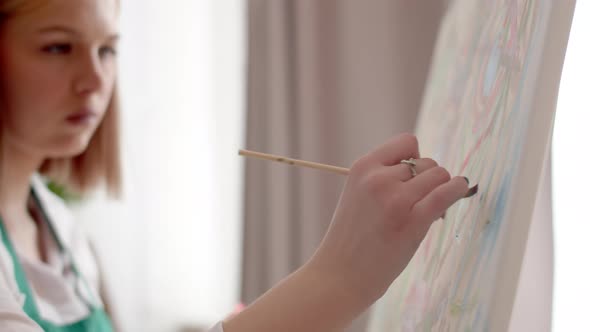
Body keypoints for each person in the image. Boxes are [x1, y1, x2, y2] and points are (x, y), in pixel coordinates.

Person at [0, 0, 470, 331]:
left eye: (106, 49)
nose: (95, 79)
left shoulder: (65, 237)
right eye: (58, 47)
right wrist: (339, 278)